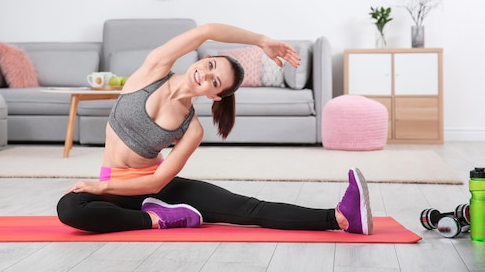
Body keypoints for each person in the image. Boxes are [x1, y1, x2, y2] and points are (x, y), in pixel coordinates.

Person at [57, 23, 373, 235]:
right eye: (209, 67)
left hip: (154, 188)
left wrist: (101, 188)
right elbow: (207, 30)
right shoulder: (153, 69)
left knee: (249, 209)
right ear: (204, 60)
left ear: (214, 95)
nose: (205, 77)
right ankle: (157, 219)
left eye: (214, 82)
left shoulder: (191, 129)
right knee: (70, 206)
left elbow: (157, 180)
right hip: (119, 192)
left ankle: (340, 217)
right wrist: (262, 41)